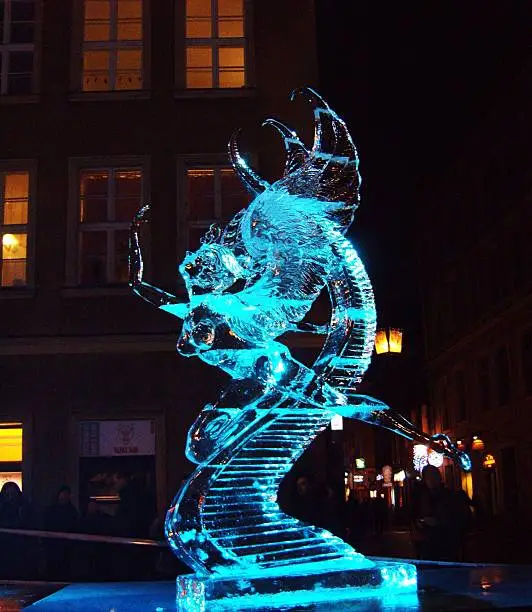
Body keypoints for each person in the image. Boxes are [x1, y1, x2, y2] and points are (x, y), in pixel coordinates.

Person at [410, 465, 468, 561]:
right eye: (428, 477)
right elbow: (415, 515)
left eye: (433, 476)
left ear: (439, 477)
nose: (431, 479)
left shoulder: (450, 497)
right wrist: (419, 523)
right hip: (427, 545)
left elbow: (459, 519)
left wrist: (438, 522)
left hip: (447, 544)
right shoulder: (422, 498)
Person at [43, 485, 79, 580]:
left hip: (66, 547)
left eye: (67, 494)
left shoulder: (72, 511)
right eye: (63, 494)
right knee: (52, 570)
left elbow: (75, 527)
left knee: (64, 570)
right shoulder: (51, 510)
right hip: (53, 546)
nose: (65, 496)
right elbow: (46, 526)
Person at [0, 481, 32, 578]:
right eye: (8, 494)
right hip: (3, 545)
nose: (10, 497)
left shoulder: (23, 507)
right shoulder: (2, 507)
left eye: (13, 494)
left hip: (20, 546)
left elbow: (28, 523)